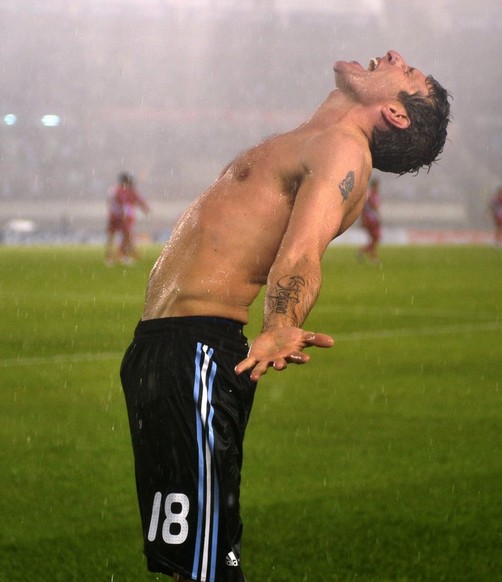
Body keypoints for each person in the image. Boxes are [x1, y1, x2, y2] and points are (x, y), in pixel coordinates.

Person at [121, 50, 450, 582]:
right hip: (166, 351)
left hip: (197, 354)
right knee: (192, 561)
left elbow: (301, 252)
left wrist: (279, 324)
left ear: (397, 113)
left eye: (407, 71)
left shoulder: (343, 149)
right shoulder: (314, 141)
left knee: (204, 568)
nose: (393, 56)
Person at [105, 173, 149, 265]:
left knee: (113, 236)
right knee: (125, 236)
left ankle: (110, 257)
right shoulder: (129, 191)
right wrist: (145, 209)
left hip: (115, 215)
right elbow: (139, 201)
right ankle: (123, 255)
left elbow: (110, 202)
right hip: (125, 216)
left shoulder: (114, 190)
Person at [359, 177, 382, 262]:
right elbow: (374, 207)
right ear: (374, 186)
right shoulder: (371, 195)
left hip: (369, 218)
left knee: (374, 238)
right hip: (371, 219)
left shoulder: (369, 194)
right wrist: (378, 217)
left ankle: (365, 253)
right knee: (375, 237)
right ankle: (370, 256)